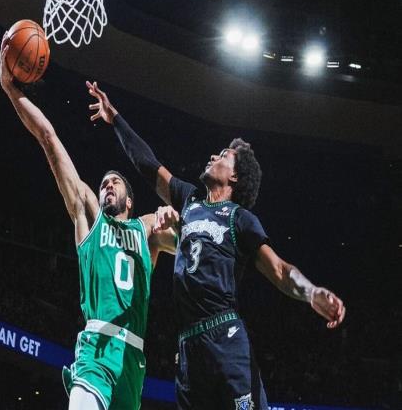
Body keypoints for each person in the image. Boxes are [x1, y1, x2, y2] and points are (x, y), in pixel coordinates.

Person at [86, 81, 346, 410]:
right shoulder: (189, 199)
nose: (213, 156)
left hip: (225, 336)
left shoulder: (240, 219)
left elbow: (280, 270)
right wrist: (115, 119)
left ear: (235, 178)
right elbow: (148, 165)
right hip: (188, 347)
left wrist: (311, 292)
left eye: (223, 156)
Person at [0, 36, 177, 410]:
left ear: (131, 200)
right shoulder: (90, 219)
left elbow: (193, 249)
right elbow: (49, 139)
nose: (107, 185)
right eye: (103, 184)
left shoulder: (146, 230)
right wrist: (12, 91)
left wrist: (174, 219)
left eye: (115, 182)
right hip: (95, 349)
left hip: (133, 361)